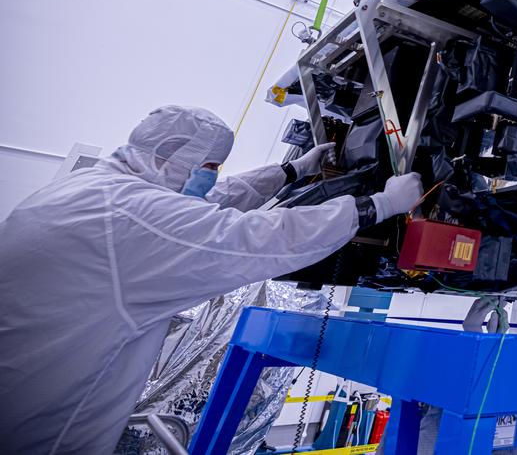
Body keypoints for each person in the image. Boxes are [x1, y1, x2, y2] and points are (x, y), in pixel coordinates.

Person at [0, 105, 423, 455]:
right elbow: (256, 239)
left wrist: (290, 171)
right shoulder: (135, 216)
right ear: (171, 156)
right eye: (209, 166)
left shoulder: (96, 188)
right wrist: (376, 205)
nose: (213, 176)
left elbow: (207, 202)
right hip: (43, 431)